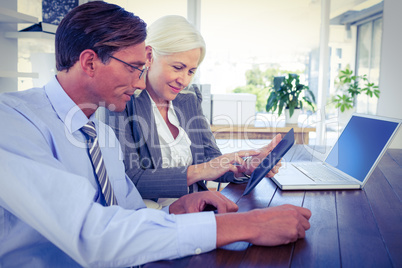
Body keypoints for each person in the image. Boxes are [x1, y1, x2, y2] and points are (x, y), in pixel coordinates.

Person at [0, 2, 311, 267]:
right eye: (135, 68)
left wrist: (175, 209)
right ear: (90, 62)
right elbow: (90, 233)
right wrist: (246, 224)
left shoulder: (101, 135)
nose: (139, 84)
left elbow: (128, 213)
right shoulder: (12, 121)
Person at [103, 15, 282, 205]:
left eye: (191, 71)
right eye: (178, 67)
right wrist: (201, 170)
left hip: (196, 210)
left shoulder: (188, 98)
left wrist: (246, 165)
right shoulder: (123, 100)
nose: (184, 80)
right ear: (149, 56)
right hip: (150, 216)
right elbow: (131, 179)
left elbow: (211, 158)